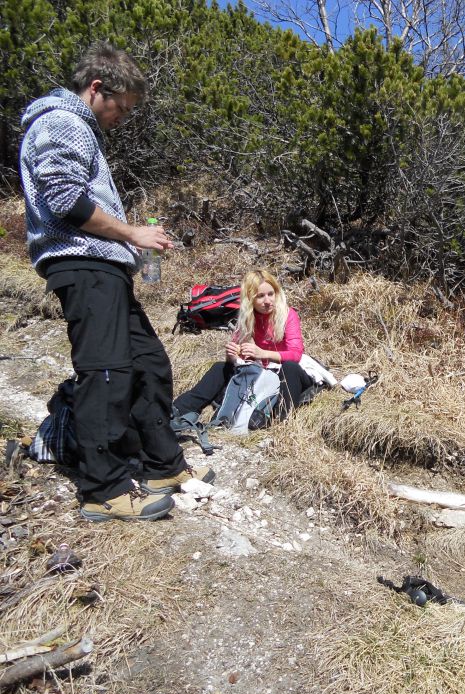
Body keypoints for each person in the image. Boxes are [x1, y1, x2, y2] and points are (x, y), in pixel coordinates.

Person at [19, 42, 213, 522]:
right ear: (97, 88)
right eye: (120, 108)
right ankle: (102, 488)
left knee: (148, 363)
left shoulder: (81, 128)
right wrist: (131, 232)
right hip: (80, 263)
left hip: (105, 266)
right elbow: (64, 199)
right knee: (105, 372)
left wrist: (127, 244)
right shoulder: (61, 122)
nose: (121, 118)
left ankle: (161, 464)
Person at [172, 269, 314, 425]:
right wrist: (232, 356)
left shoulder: (288, 314)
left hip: (287, 377)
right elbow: (240, 361)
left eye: (271, 294)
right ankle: (179, 410)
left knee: (290, 368)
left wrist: (262, 353)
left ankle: (281, 421)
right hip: (260, 376)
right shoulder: (247, 318)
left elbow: (296, 354)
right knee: (220, 368)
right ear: (250, 299)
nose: (267, 301)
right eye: (260, 296)